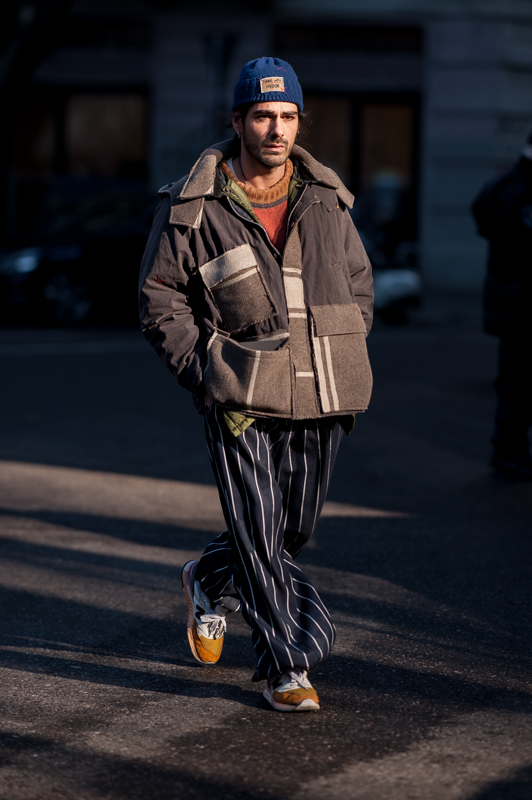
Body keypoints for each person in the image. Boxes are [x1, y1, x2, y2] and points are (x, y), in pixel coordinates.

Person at [139, 57, 373, 711]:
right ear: (237, 120)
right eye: (264, 115)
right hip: (238, 395)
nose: (276, 129)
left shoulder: (326, 199)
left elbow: (358, 284)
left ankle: (207, 575)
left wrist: (347, 347)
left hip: (319, 392)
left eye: (288, 116)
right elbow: (159, 298)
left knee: (290, 529)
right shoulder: (192, 205)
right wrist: (203, 375)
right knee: (260, 529)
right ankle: (286, 665)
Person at [472, 131, 532, 479]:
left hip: (511, 302)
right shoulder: (519, 190)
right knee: (518, 384)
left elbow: (482, 217)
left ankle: (510, 450)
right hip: (521, 304)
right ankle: (509, 452)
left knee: (515, 382)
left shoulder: (502, 187)